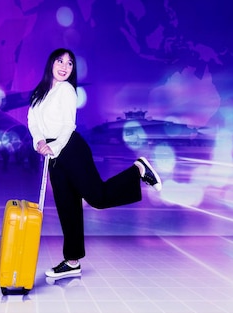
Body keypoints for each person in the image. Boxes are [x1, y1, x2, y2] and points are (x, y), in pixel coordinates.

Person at [27, 48, 162, 278]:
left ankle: (138, 170)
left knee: (97, 197)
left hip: (69, 148)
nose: (64, 67)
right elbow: (33, 121)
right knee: (67, 206)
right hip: (52, 153)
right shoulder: (39, 93)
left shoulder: (67, 91)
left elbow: (68, 126)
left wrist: (53, 147)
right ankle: (72, 262)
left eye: (69, 64)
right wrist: (39, 142)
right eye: (60, 61)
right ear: (51, 63)